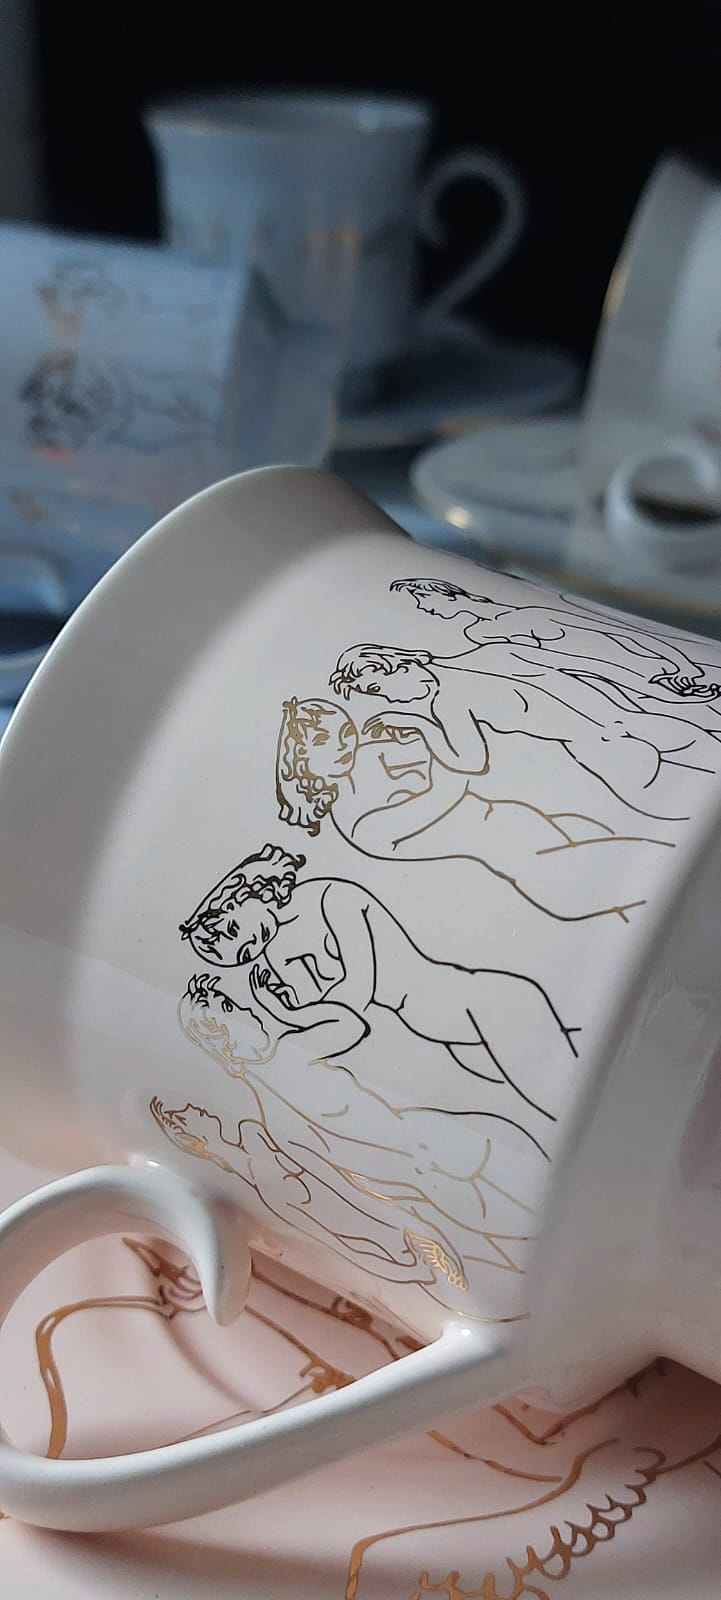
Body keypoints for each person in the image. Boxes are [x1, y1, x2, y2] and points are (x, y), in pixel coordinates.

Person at [179, 844, 579, 1136]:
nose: (252, 947)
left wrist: (292, 1020)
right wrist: (284, 1012)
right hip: (436, 1029)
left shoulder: (329, 898)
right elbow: (333, 1016)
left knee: (563, 1104)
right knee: (542, 1117)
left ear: (243, 894)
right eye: (242, 954)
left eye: (237, 930)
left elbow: (353, 996)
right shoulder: (274, 956)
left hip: (478, 1003)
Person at [275, 696, 672, 926]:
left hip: (511, 817)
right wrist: (430, 734)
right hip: (508, 852)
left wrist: (419, 728)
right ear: (300, 763)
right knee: (623, 888)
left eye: (346, 732)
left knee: (630, 860)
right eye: (324, 742)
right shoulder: (356, 823)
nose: (343, 745)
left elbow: (441, 758)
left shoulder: (369, 755)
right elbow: (448, 787)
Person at [329, 641, 721, 823]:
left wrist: (417, 725)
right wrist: (659, 695)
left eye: (378, 689)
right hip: (636, 722)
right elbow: (583, 662)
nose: (388, 700)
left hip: (612, 751)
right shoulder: (488, 651)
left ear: (397, 666)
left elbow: (469, 762)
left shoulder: (448, 702)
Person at [390, 576, 721, 709]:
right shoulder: (479, 635)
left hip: (655, 669)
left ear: (447, 593)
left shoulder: (529, 613)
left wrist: (683, 665)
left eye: (424, 599)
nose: (424, 608)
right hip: (620, 688)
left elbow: (618, 631)